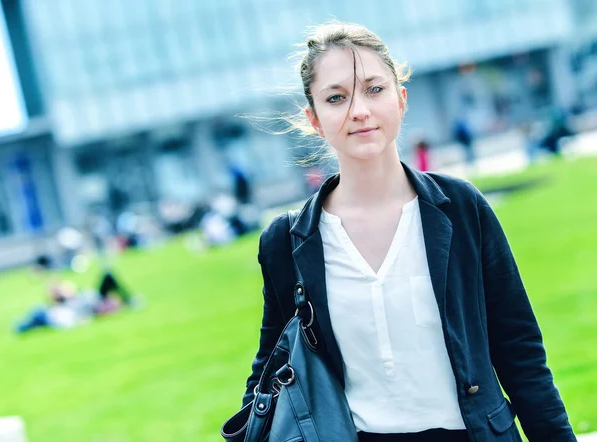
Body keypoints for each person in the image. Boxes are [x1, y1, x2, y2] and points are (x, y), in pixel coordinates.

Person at [239, 22, 576, 441]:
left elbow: (520, 352)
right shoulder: (287, 242)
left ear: (401, 98)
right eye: (336, 97)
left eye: (374, 89)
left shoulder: (462, 208)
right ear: (314, 118)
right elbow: (270, 371)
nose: (358, 110)